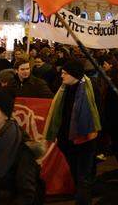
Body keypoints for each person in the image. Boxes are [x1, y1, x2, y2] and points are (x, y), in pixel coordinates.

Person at [44, 59, 101, 205]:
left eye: (64, 73)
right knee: (76, 174)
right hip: (67, 141)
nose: (62, 76)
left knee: (83, 177)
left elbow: (99, 113)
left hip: (86, 141)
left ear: (74, 74)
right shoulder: (63, 88)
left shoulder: (90, 89)